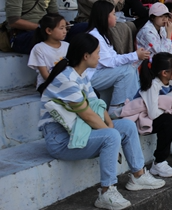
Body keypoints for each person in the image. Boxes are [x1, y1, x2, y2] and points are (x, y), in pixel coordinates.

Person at [38, 34, 165, 210]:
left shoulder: (79, 75)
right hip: (61, 140)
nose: (100, 57)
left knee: (127, 126)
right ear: (85, 56)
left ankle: (138, 175)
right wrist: (111, 133)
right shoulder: (66, 79)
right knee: (111, 135)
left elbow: (97, 106)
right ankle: (106, 192)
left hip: (78, 130)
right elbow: (88, 115)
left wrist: (111, 127)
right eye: (97, 53)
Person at [126, 52, 172, 178]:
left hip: (159, 115)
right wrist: (169, 110)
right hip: (143, 120)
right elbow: (153, 113)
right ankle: (159, 163)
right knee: (169, 120)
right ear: (164, 73)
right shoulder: (152, 86)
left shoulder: (169, 82)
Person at [86, 0, 150, 116]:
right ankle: (116, 108)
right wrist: (134, 55)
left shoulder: (103, 34)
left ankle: (132, 103)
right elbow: (109, 62)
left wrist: (135, 58)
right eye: (114, 14)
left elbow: (114, 57)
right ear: (104, 16)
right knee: (127, 70)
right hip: (92, 76)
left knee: (131, 66)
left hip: (102, 73)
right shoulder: (95, 36)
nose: (116, 17)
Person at [28, 14, 69, 93]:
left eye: (65, 28)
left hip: (66, 82)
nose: (65, 31)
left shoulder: (67, 46)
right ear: (49, 31)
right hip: (47, 84)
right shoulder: (39, 48)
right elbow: (45, 75)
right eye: (61, 28)